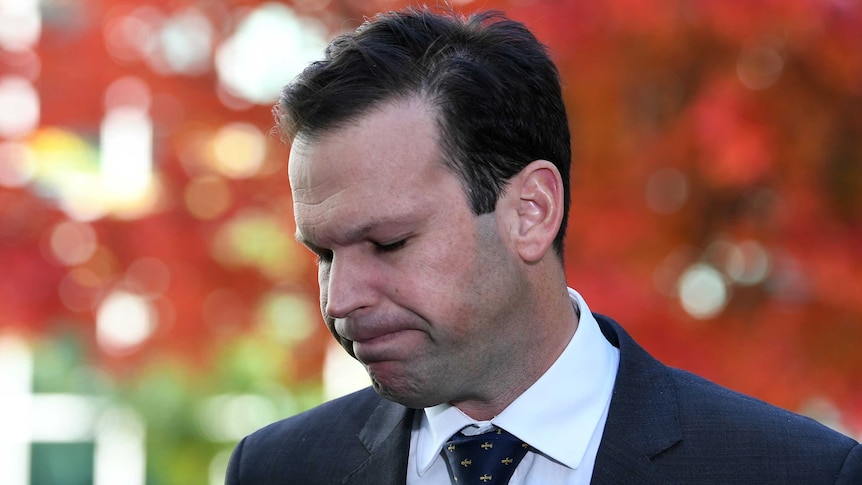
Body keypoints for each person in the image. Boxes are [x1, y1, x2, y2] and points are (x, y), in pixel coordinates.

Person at [225, 7, 861, 484]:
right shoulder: (277, 468)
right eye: (324, 255)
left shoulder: (795, 472)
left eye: (388, 243)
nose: (340, 300)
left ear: (531, 211)